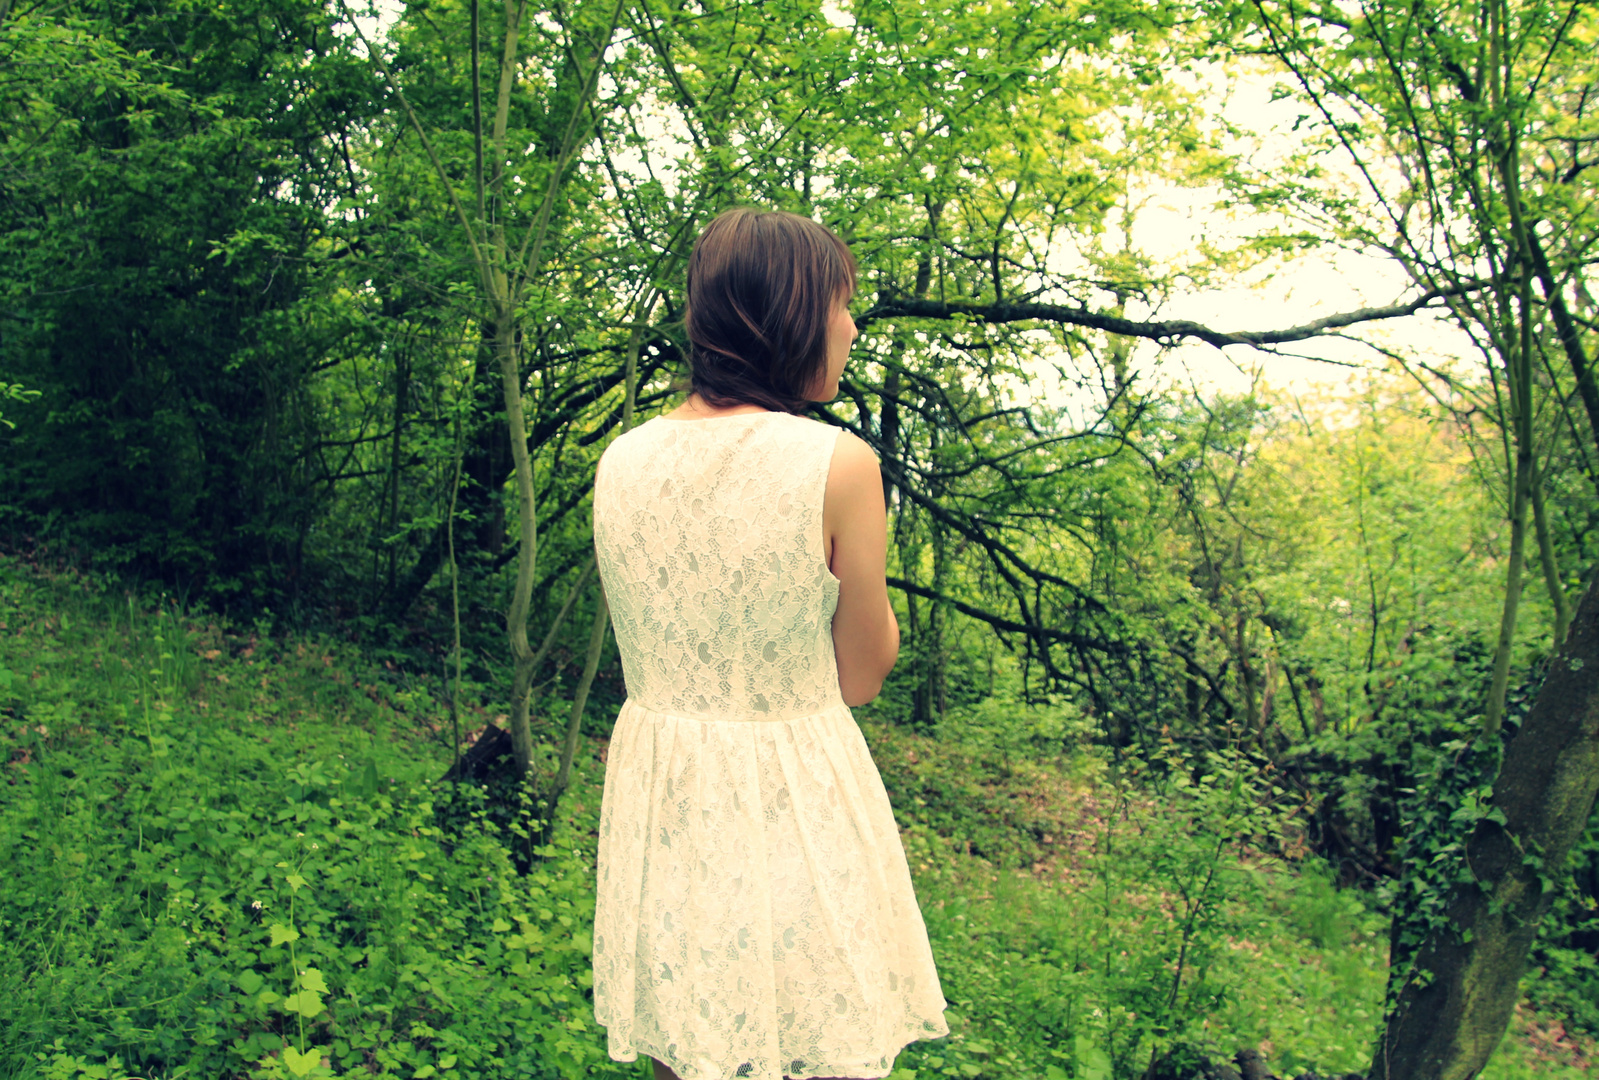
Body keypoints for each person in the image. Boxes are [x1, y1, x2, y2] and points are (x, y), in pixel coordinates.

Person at [589, 207, 949, 1080]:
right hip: (792, 801)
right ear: (789, 314)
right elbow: (861, 674)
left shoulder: (621, 459)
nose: (853, 328)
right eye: (841, 304)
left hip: (663, 801)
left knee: (694, 1041)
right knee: (813, 1051)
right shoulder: (837, 465)